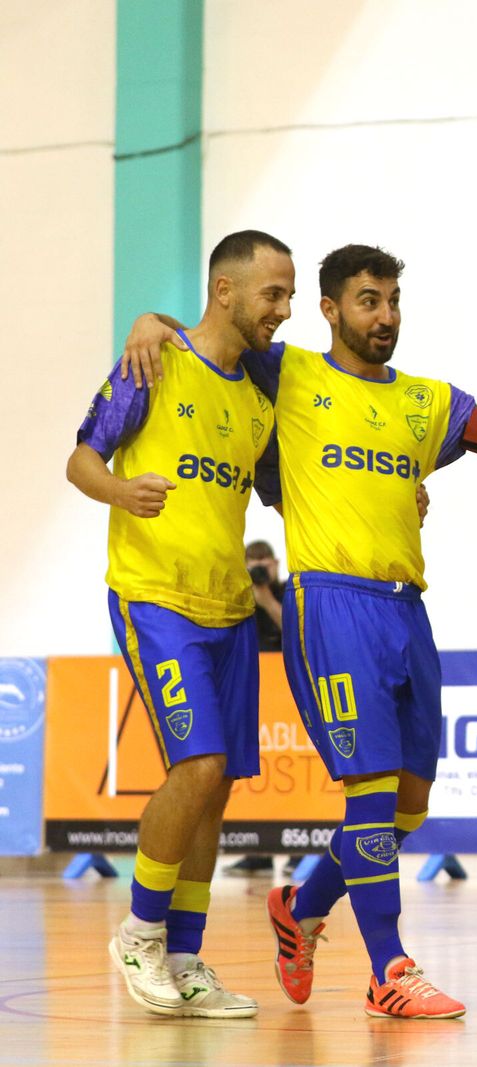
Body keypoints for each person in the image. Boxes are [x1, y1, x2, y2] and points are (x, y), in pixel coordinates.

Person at [122, 243, 477, 1020]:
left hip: (407, 607)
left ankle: (301, 904)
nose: (386, 316)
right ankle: (387, 968)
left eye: (394, 300)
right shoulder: (287, 371)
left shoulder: (430, 401)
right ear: (329, 309)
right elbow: (212, 328)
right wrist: (146, 320)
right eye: (368, 300)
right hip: (330, 606)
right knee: (368, 789)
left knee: (409, 805)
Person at [73, 229, 292, 1019]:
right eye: (274, 293)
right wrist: (120, 492)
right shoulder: (153, 363)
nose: (285, 309)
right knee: (196, 765)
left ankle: (189, 956)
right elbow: (82, 458)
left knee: (221, 785)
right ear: (226, 291)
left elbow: (286, 492)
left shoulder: (260, 394)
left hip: (230, 606)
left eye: (292, 295)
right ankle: (138, 932)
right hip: (153, 595)